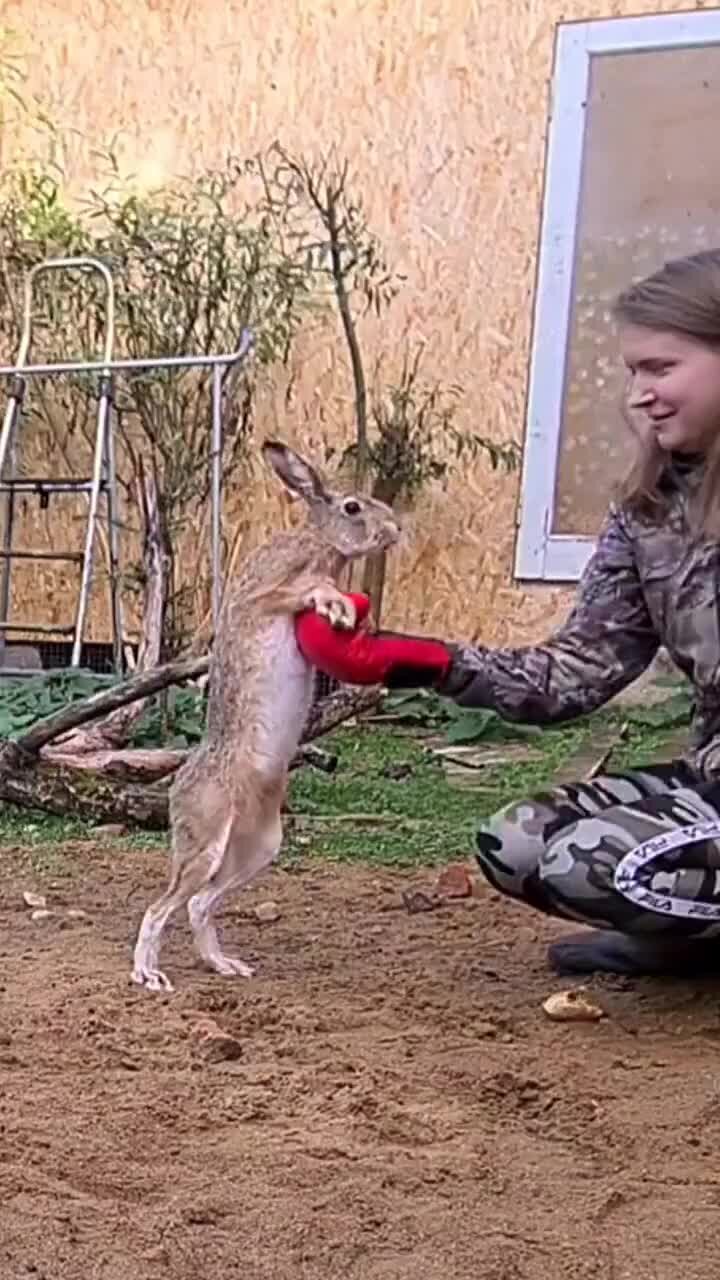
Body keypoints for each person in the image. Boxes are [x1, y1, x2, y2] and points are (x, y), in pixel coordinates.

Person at [295, 247, 720, 979]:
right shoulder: (648, 516)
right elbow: (575, 674)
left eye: (661, 368)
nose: (638, 395)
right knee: (520, 844)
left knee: (608, 865)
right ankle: (690, 943)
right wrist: (412, 660)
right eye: (631, 373)